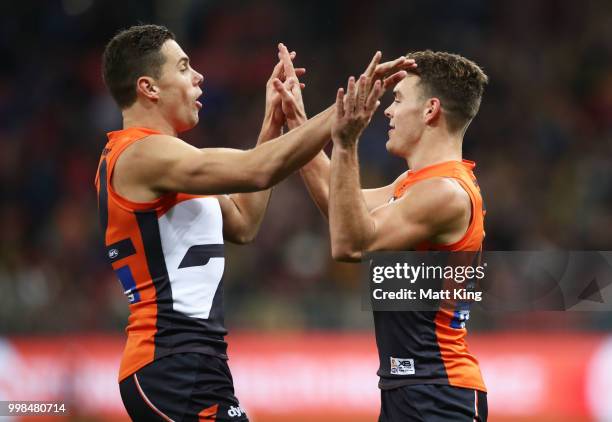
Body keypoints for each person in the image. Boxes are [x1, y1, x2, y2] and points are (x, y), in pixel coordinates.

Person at [96, 24, 411, 421]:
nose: (198, 76)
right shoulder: (143, 155)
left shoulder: (169, 162)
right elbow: (257, 170)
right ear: (149, 87)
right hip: (170, 362)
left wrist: (271, 124)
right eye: (183, 67)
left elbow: (244, 222)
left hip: (192, 360)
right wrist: (345, 110)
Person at [278, 50, 489, 421]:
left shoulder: (445, 193)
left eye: (398, 99)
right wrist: (299, 119)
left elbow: (350, 244)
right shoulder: (415, 185)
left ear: (430, 110)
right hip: (411, 389)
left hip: (439, 393)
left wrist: (347, 143)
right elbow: (339, 202)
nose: (388, 111)